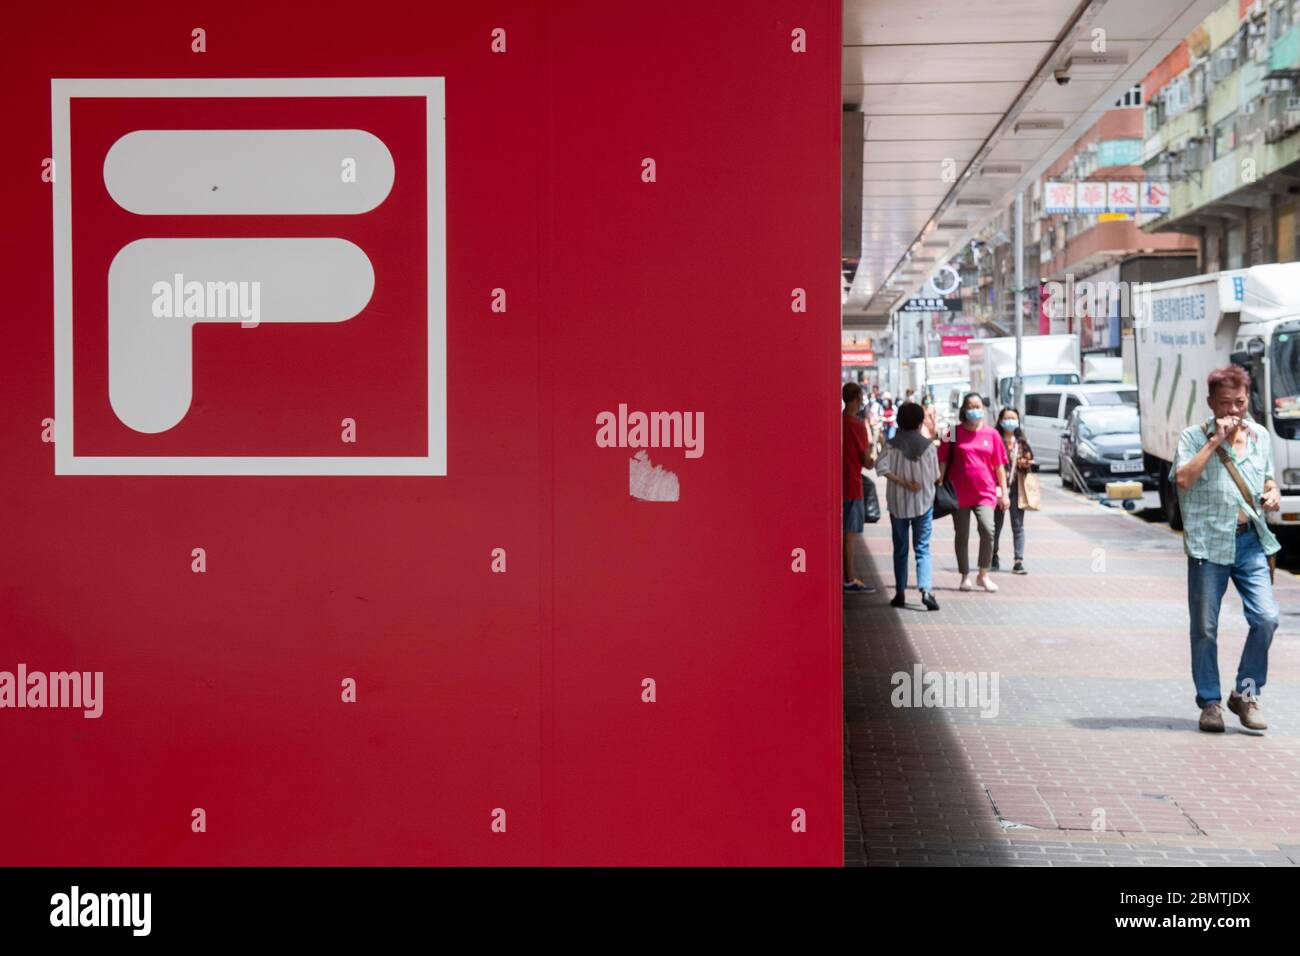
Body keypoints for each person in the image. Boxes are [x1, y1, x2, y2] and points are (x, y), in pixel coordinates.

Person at [1173, 365, 1282, 734]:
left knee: (1266, 618)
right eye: (1225, 405)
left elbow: (1267, 477)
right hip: (1208, 543)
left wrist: (1272, 492)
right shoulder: (1192, 437)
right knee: (1205, 627)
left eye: (1240, 403)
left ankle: (1246, 694)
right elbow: (1184, 479)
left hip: (1250, 540)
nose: (1234, 412)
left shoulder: (1261, 436)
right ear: (1210, 404)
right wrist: (1214, 442)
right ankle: (1210, 703)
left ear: (1248, 399)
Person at [937, 393, 1010, 592]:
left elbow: (999, 466)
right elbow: (941, 458)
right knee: (961, 534)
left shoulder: (993, 434)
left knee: (988, 529)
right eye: (971, 406)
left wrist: (1004, 493)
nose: (975, 409)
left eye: (978, 406)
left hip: (985, 492)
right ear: (963, 409)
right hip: (957, 493)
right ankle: (964, 575)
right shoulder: (950, 431)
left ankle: (983, 574)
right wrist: (940, 480)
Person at [877, 402, 940, 611]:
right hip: (924, 504)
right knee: (922, 548)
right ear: (920, 421)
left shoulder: (890, 445)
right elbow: (934, 477)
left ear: (899, 420)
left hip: (898, 505)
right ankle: (926, 590)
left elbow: (881, 467)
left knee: (900, 549)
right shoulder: (929, 446)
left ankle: (900, 592)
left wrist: (903, 482)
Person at [842, 381, 877, 594]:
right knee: (850, 534)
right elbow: (866, 461)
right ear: (858, 399)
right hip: (852, 485)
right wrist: (872, 451)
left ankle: (845, 575)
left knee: (840, 532)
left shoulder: (835, 421)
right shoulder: (857, 425)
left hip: (836, 484)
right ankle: (849, 577)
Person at [992, 406, 1033, 574]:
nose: (1010, 421)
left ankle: (1018, 560)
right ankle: (993, 555)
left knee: (1018, 525)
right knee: (995, 525)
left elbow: (1031, 461)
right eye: (1007, 418)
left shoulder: (1021, 442)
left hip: (1017, 489)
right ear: (1001, 421)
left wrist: (1026, 463)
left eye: (1013, 418)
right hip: (997, 489)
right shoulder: (995, 439)